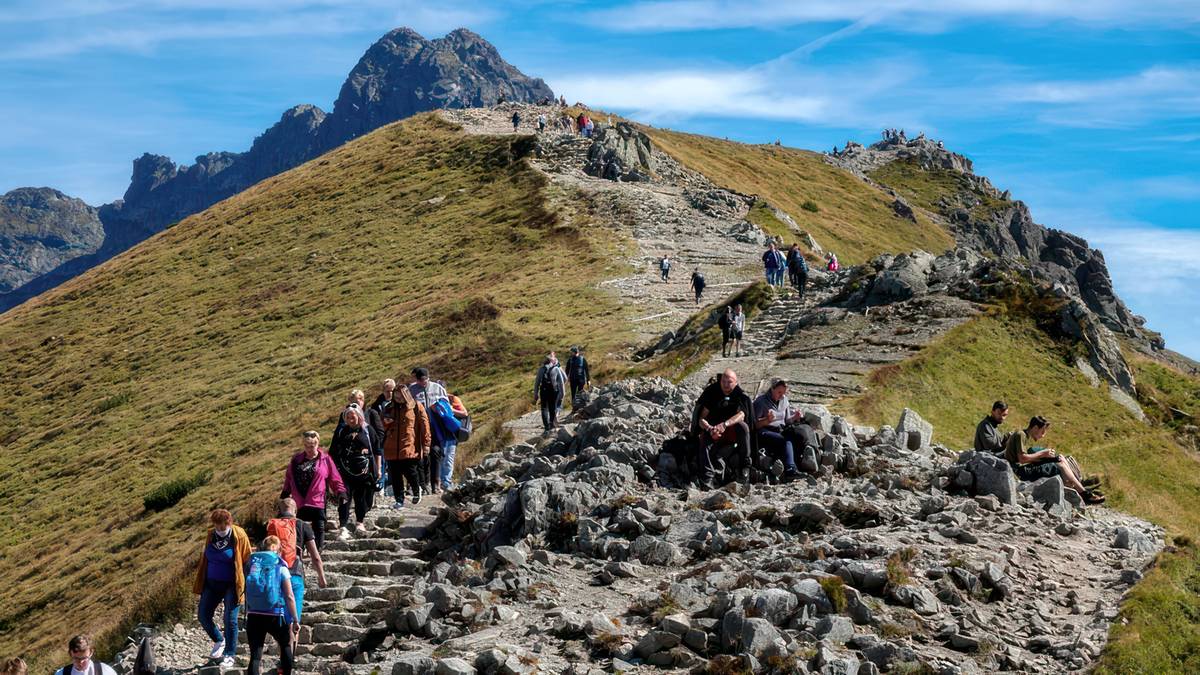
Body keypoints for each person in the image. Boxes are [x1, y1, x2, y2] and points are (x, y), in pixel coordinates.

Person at [192, 508, 252, 667]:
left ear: (229, 523)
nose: (219, 529)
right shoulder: (211, 535)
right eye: (216, 526)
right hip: (211, 583)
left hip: (232, 584)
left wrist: (248, 583)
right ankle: (220, 640)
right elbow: (206, 557)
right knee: (203, 616)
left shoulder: (239, 535)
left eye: (222, 526)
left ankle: (230, 654)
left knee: (230, 619)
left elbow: (247, 560)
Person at [1004, 416, 1104, 504]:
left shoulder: (1023, 435)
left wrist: (1045, 456)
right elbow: (1022, 459)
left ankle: (1080, 489)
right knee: (1059, 464)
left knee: (1059, 458)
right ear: (1035, 428)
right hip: (1018, 471)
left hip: (1020, 468)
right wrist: (1043, 454)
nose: (1043, 435)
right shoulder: (1020, 435)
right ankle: (1083, 493)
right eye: (1042, 432)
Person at [281, 430, 347, 550]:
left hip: (317, 499)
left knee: (319, 525)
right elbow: (289, 477)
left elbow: (334, 477)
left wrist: (340, 492)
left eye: (312, 446)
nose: (309, 448)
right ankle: (299, 552)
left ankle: (318, 550)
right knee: (299, 527)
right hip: (299, 500)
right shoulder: (296, 460)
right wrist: (286, 491)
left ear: (317, 444)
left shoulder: (325, 459)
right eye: (306, 446)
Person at [243, 536, 300, 675]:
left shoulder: (253, 566)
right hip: (276, 615)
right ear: (279, 550)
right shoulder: (281, 567)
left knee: (255, 656)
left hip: (254, 614)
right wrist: (295, 619)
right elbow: (289, 596)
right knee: (286, 645)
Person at [268, 497, 327, 630]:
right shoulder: (302, 525)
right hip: (295, 574)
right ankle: (291, 647)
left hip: (274, 575)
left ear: (280, 510)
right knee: (294, 621)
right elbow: (315, 556)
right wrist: (321, 577)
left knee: (279, 617)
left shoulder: (271, 525)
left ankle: (281, 647)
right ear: (295, 510)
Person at [694, 369, 755, 489]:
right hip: (713, 430)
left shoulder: (739, 395)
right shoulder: (712, 393)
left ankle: (744, 469)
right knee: (704, 439)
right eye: (723, 381)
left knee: (743, 427)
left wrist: (725, 424)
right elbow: (701, 418)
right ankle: (707, 478)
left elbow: (742, 415)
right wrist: (710, 429)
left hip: (730, 430)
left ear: (735, 383)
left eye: (729, 382)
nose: (726, 385)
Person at [382, 384, 431, 507]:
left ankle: (416, 490)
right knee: (395, 474)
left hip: (409, 444)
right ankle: (399, 500)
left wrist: (426, 444)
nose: (398, 399)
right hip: (391, 446)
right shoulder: (389, 408)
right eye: (396, 397)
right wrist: (386, 423)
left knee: (410, 470)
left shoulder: (416, 407)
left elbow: (425, 426)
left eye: (400, 397)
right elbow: (382, 426)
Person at [330, 407, 375, 539]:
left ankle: (360, 522)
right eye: (348, 417)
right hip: (344, 470)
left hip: (363, 471)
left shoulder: (367, 430)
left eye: (353, 416)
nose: (350, 419)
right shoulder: (341, 431)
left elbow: (376, 449)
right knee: (344, 497)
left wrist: (376, 468)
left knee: (361, 497)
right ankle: (343, 525)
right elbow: (333, 451)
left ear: (359, 416)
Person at [753, 379, 803, 481]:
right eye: (779, 392)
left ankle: (795, 466)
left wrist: (795, 417)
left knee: (796, 436)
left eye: (784, 393)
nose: (782, 395)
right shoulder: (761, 402)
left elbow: (787, 420)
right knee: (785, 441)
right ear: (772, 389)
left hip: (780, 430)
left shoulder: (784, 400)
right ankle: (790, 469)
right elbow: (754, 424)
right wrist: (767, 420)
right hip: (764, 431)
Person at [410, 367, 451, 493]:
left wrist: (440, 408)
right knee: (421, 457)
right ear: (416, 379)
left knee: (436, 453)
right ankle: (423, 484)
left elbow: (447, 405)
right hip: (419, 428)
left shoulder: (438, 388)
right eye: (420, 380)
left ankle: (436, 484)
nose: (423, 382)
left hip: (436, 427)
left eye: (425, 380)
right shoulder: (412, 390)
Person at [534, 355, 567, 431]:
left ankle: (546, 426)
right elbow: (561, 382)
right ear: (552, 362)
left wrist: (535, 394)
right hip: (553, 391)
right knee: (552, 408)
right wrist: (562, 393)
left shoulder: (541, 369)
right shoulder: (556, 369)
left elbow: (537, 383)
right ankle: (551, 424)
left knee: (544, 409)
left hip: (543, 391)